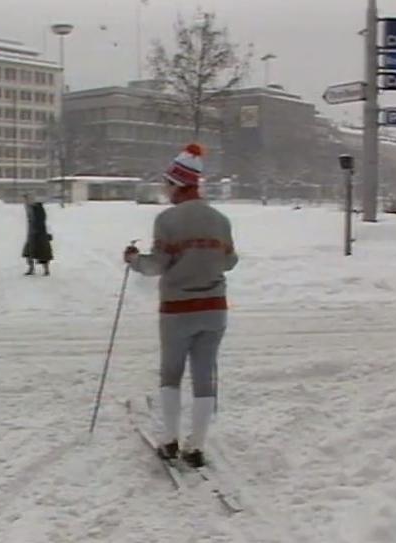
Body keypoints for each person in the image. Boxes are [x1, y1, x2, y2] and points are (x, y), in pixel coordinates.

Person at [123, 143, 238, 468]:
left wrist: (134, 260)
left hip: (177, 311)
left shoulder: (167, 220)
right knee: (205, 376)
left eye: (167, 184)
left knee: (171, 374)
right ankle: (196, 446)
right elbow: (229, 261)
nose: (165, 189)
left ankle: (170, 441)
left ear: (176, 184)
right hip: (215, 308)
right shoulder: (220, 220)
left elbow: (156, 264)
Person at [22, 196, 53, 276]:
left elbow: (40, 221)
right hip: (32, 234)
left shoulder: (38, 208)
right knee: (29, 252)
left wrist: (37, 230)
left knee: (43, 253)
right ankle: (31, 268)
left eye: (27, 200)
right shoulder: (30, 208)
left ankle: (46, 270)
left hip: (40, 234)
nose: (26, 203)